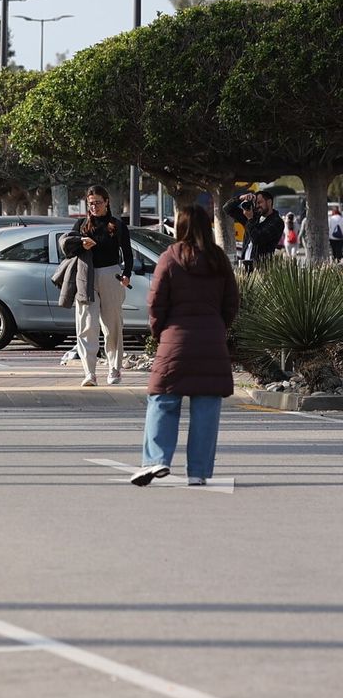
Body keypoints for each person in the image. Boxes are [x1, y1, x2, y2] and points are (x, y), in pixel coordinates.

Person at [132, 205, 239, 487]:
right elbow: (231, 303)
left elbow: (156, 303)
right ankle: (199, 472)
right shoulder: (219, 260)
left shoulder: (171, 257)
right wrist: (217, 327)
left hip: (175, 340)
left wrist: (160, 332)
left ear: (180, 228)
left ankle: (156, 460)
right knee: (206, 408)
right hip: (211, 340)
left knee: (163, 400)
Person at [61, 185, 133, 387]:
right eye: (91, 203)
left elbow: (127, 253)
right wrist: (80, 244)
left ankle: (114, 369)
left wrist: (127, 274)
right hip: (86, 276)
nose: (94, 207)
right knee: (86, 325)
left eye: (98, 203)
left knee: (112, 326)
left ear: (107, 202)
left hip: (111, 274)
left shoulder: (117, 225)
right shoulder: (81, 225)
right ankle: (89, 373)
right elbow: (67, 248)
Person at [224, 189, 283, 272]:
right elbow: (227, 208)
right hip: (244, 265)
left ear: (269, 202)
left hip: (261, 268)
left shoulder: (277, 221)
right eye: (255, 203)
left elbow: (257, 239)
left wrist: (250, 219)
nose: (257, 206)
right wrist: (241, 198)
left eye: (259, 202)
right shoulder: (253, 216)